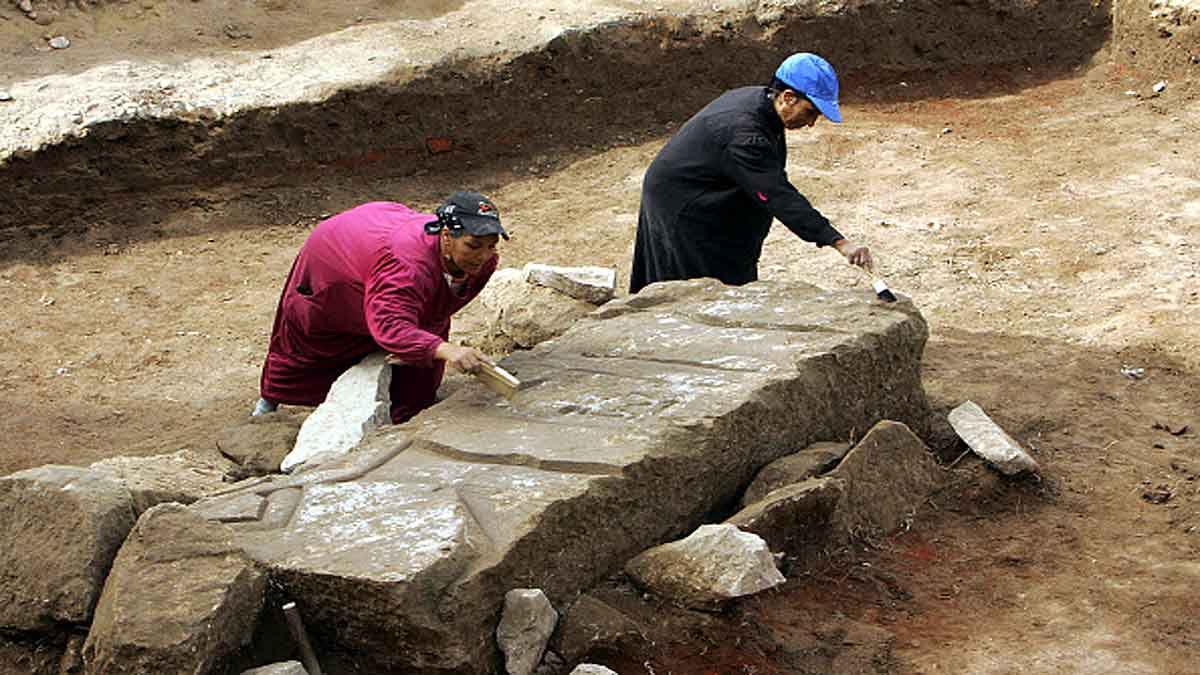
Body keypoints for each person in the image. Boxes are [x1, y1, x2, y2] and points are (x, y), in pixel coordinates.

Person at [630, 52, 873, 294]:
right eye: (810, 112)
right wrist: (837, 241)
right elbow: (776, 194)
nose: (811, 123)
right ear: (788, 97)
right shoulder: (746, 134)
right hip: (684, 207)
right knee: (698, 291)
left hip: (707, 193)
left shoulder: (761, 103)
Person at [251, 192, 505, 424]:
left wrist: (422, 344)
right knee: (311, 342)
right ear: (447, 236)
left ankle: (404, 414)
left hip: (381, 236)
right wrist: (443, 348)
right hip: (335, 266)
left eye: (491, 245)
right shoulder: (405, 265)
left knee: (421, 361)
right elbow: (390, 323)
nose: (483, 255)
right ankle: (268, 404)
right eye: (473, 245)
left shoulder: (483, 262)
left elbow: (438, 306)